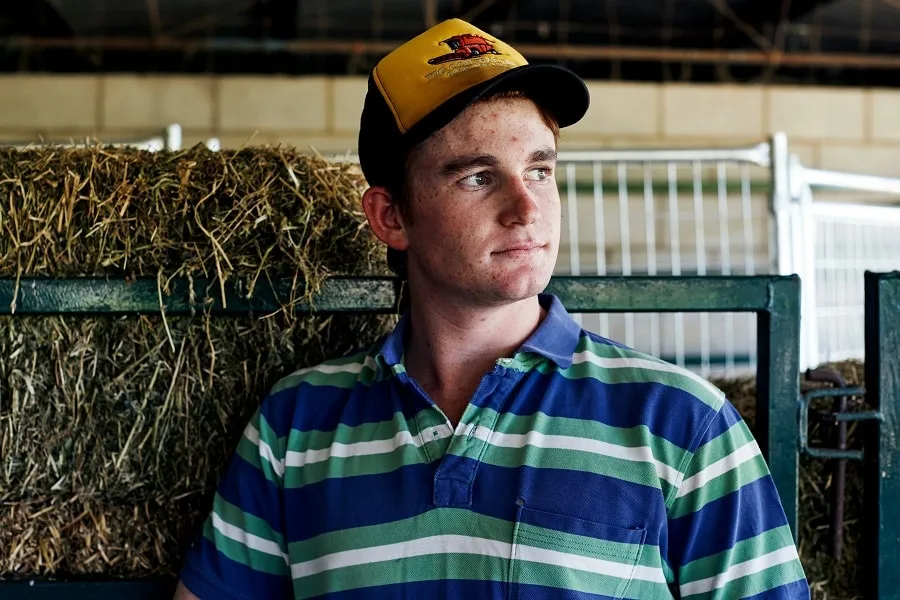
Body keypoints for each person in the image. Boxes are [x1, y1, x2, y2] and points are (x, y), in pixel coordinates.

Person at [175, 18, 809, 600]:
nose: (527, 208)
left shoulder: (681, 423)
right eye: (477, 176)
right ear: (391, 216)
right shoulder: (295, 428)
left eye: (538, 170)